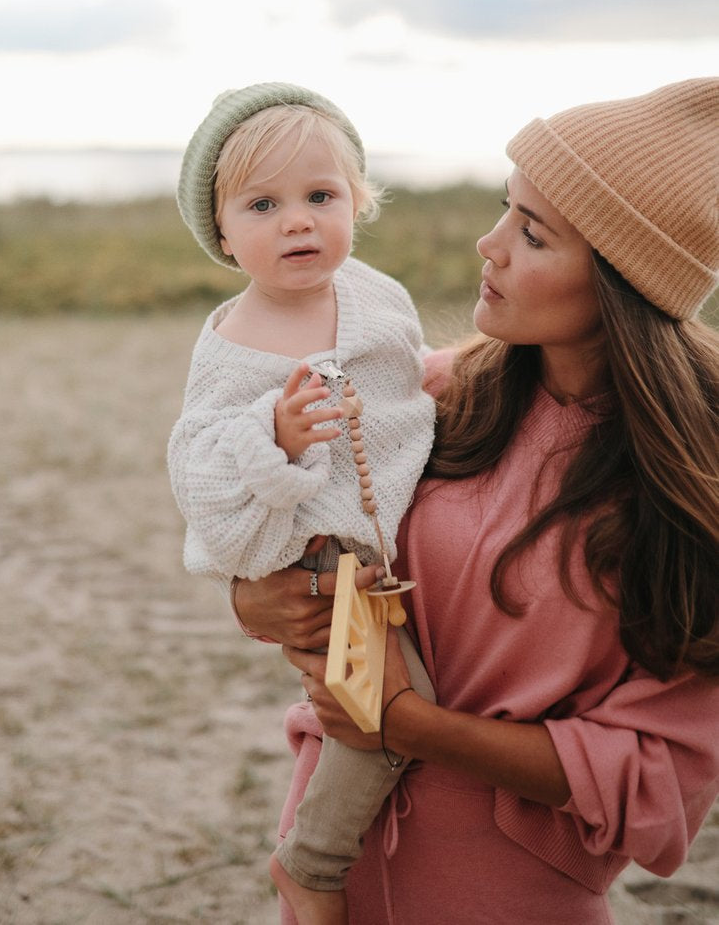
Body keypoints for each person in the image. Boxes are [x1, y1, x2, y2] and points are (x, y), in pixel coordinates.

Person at [233, 77, 719, 925]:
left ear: (622, 282)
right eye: (505, 209)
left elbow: (653, 772)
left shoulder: (685, 488)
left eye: (532, 234)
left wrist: (412, 726)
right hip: (328, 862)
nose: (489, 245)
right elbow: (283, 528)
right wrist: (259, 599)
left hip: (501, 894)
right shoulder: (423, 397)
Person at [168, 82, 437, 924]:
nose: (298, 221)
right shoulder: (235, 342)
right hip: (323, 565)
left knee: (400, 710)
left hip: (397, 545)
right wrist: (275, 437)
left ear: (357, 200)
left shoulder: (375, 294)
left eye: (322, 197)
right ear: (223, 233)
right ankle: (313, 864)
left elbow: (409, 381)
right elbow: (199, 462)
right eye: (263, 205)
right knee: (383, 720)